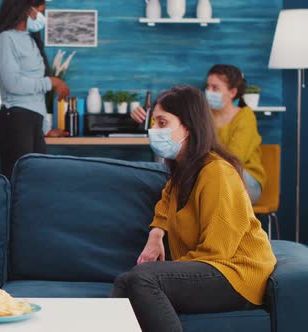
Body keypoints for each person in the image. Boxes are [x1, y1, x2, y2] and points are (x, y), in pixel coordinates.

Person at [113, 86, 276, 332]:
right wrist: (156, 234)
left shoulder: (217, 172)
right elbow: (166, 202)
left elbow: (218, 251)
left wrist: (164, 270)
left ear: (187, 127)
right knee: (124, 281)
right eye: (154, 122)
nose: (152, 130)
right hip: (213, 267)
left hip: (235, 274)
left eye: (162, 122)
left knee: (144, 278)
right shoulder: (184, 171)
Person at [131, 64, 266, 204]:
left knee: (207, 179)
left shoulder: (245, 116)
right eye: (208, 87)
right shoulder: (203, 115)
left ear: (232, 92)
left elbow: (235, 158)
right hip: (208, 173)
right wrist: (143, 117)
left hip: (243, 177)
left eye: (215, 88)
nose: (209, 91)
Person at [0, 0, 70, 179]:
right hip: (16, 120)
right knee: (19, 182)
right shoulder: (6, 39)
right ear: (24, 9)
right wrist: (51, 82)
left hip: (33, 121)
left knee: (36, 182)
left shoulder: (30, 40)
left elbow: (36, 97)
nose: (40, 15)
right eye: (38, 10)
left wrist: (44, 129)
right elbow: (13, 84)